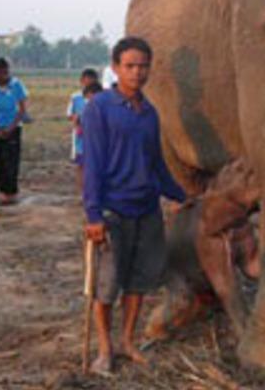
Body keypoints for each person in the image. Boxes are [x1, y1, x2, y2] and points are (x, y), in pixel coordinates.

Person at [82, 37, 185, 375]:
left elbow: (157, 165)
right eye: (130, 66)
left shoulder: (150, 113)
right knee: (107, 285)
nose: (137, 73)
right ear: (114, 68)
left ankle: (127, 340)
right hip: (113, 210)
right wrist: (93, 214)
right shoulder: (99, 108)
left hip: (147, 209)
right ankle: (104, 348)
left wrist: (183, 196)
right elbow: (92, 164)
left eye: (143, 66)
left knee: (139, 281)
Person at [0, 58, 28, 205]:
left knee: (11, 161)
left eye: (4, 72)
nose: (2, 76)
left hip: (13, 127)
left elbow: (21, 109)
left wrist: (11, 128)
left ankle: (11, 191)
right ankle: (3, 190)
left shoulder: (16, 85)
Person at [67, 68, 100, 192]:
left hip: (98, 138)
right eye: (87, 81)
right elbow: (70, 115)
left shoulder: (103, 97)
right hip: (81, 138)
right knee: (81, 165)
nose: (89, 84)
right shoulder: (76, 97)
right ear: (81, 81)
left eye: (92, 81)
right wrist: (78, 120)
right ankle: (84, 192)